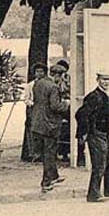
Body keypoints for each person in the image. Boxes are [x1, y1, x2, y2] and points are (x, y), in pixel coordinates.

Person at [78, 72, 109, 203]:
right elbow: (81, 114)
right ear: (98, 80)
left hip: (105, 133)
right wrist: (84, 132)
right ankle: (93, 194)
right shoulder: (93, 97)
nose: (106, 82)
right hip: (95, 134)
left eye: (108, 80)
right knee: (99, 164)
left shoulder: (108, 95)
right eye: (103, 80)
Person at [29, 63, 69, 192]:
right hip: (49, 124)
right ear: (56, 75)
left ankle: (54, 176)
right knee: (49, 153)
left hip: (38, 122)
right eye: (62, 77)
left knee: (48, 150)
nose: (62, 80)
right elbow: (54, 106)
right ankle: (46, 182)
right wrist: (66, 104)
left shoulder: (38, 83)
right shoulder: (53, 87)